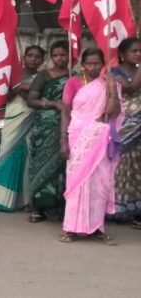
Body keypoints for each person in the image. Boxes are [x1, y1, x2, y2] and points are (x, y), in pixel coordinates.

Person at [60, 47, 120, 244]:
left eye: (97, 63)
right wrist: (62, 140)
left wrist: (111, 85)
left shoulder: (107, 84)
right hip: (77, 136)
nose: (93, 67)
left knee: (99, 184)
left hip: (99, 139)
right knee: (76, 183)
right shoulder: (73, 82)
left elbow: (112, 111)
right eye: (89, 63)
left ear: (103, 64)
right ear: (82, 65)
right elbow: (65, 112)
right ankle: (70, 228)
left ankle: (97, 228)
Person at [0, 45, 45, 212]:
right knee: (5, 154)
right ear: (24, 57)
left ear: (42, 60)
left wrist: (27, 89)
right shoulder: (13, 75)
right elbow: (3, 96)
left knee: (27, 160)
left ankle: (23, 200)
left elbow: (34, 99)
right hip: (12, 118)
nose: (33, 59)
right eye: (30, 55)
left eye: (37, 56)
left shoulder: (42, 77)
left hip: (30, 119)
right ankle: (0, 198)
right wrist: (18, 87)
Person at [25, 40, 71, 223]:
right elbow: (31, 100)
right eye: (55, 55)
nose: (59, 58)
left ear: (69, 56)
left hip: (68, 126)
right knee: (39, 165)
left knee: (63, 167)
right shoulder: (43, 75)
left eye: (63, 55)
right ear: (51, 57)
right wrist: (52, 104)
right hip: (43, 127)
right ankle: (39, 208)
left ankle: (60, 207)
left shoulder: (74, 77)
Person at [110, 38, 141, 226]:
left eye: (140, 51)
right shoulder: (114, 72)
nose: (138, 54)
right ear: (122, 54)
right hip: (124, 123)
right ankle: (119, 208)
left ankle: (137, 210)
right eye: (134, 51)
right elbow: (130, 88)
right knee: (122, 167)